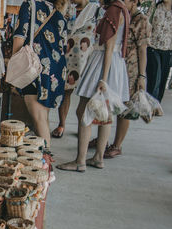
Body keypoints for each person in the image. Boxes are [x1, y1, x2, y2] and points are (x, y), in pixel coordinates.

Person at [57, 0, 130, 172]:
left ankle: (80, 160)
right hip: (115, 63)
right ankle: (98, 157)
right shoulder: (122, 9)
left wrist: (103, 79)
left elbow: (109, 45)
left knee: (84, 111)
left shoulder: (113, 9)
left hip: (104, 61)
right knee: (106, 114)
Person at [12, 0, 69, 152]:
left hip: (34, 68)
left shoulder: (29, 5)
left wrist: (14, 68)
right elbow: (63, 45)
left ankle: (47, 160)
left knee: (39, 120)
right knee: (43, 117)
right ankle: (45, 158)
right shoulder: (58, 13)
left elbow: (19, 37)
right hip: (56, 71)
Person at [104, 0, 151, 158]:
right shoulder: (120, 14)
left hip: (130, 69)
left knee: (124, 108)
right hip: (115, 65)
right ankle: (103, 139)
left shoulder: (141, 20)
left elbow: (143, 50)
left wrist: (142, 76)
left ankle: (117, 144)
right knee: (108, 104)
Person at [52, 0, 102, 138]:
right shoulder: (67, 9)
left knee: (84, 96)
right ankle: (61, 124)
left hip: (86, 59)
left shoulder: (95, 10)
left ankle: (83, 127)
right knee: (65, 91)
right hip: (67, 57)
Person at [146, 0, 172, 102]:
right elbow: (146, 24)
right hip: (153, 47)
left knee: (163, 79)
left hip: (169, 50)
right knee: (154, 76)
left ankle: (157, 103)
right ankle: (150, 104)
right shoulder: (155, 7)